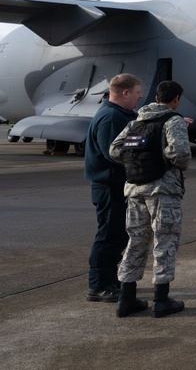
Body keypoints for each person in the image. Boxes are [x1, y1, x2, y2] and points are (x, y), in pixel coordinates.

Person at [110, 80, 192, 318]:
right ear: (176, 99)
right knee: (164, 241)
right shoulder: (173, 120)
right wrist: (162, 154)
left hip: (135, 190)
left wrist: (138, 159)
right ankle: (161, 299)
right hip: (163, 191)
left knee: (136, 241)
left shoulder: (137, 121)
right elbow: (182, 155)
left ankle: (126, 299)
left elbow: (114, 150)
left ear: (156, 98)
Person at [83, 73, 144, 303]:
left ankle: (109, 280)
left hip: (116, 185)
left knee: (117, 235)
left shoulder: (121, 115)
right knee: (108, 236)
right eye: (137, 93)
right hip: (109, 186)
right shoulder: (110, 118)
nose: (139, 98)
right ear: (125, 93)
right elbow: (116, 153)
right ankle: (97, 285)